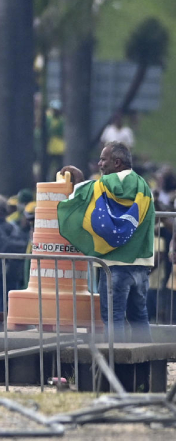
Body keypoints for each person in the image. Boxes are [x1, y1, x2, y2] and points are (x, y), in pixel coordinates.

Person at [60, 142, 154, 342]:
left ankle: (116, 366)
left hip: (115, 265)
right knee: (139, 318)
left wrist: (78, 181)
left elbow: (88, 195)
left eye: (103, 159)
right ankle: (148, 367)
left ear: (117, 163)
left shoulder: (107, 183)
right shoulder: (144, 186)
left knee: (114, 319)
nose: (100, 163)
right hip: (141, 264)